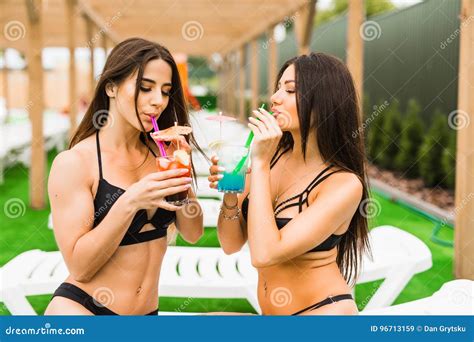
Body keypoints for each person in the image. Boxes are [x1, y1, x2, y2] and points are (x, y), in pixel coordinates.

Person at [45, 38, 204, 315]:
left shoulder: (163, 155)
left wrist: (182, 176)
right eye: (145, 88)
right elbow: (80, 268)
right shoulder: (75, 163)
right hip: (83, 310)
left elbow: (193, 233)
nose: (158, 102)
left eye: (166, 92)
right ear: (111, 87)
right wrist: (130, 201)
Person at [208, 52, 370, 315]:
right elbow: (231, 244)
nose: (274, 97)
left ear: (324, 103)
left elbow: (264, 254)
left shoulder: (343, 184)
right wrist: (230, 192)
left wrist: (259, 165)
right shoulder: (273, 157)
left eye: (291, 90)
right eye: (278, 88)